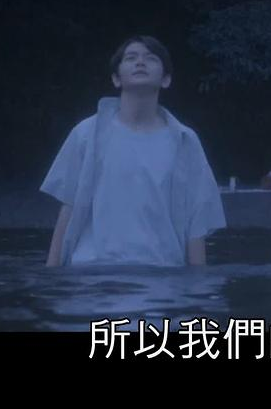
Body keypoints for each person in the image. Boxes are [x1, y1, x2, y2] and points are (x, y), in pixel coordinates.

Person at [41, 35, 226, 267]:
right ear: (116, 78)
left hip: (161, 273)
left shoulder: (184, 140)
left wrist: (197, 282)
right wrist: (52, 275)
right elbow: (68, 208)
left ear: (166, 79)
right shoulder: (87, 134)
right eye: (131, 58)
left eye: (151, 58)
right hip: (92, 274)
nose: (140, 62)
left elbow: (195, 219)